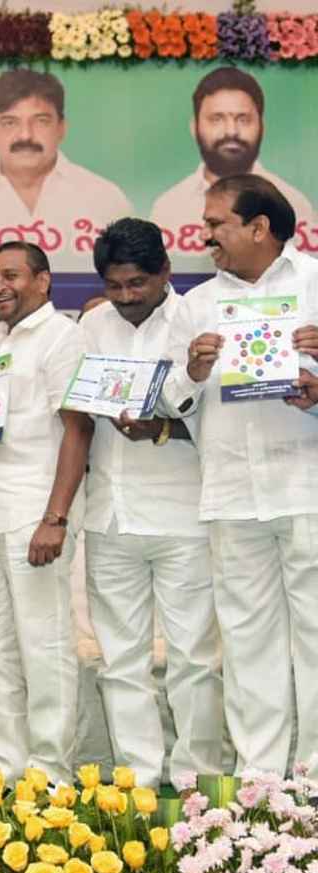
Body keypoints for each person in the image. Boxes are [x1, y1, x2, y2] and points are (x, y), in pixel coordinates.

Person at [161, 174, 318, 775]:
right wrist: (193, 372)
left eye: (216, 224)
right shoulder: (196, 304)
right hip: (230, 492)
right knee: (248, 643)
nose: (206, 238)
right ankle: (260, 785)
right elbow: (170, 400)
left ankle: (310, 784)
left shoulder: (312, 283)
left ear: (259, 227)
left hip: (304, 484)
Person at [0, 241, 92, 785]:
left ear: (44, 281)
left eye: (11, 275)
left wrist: (55, 518)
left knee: (44, 643)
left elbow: (78, 428)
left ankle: (51, 770)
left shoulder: (64, 337)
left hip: (33, 514)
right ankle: (4, 765)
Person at [82, 218, 224, 788]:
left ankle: (198, 781)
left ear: (166, 271)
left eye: (137, 284)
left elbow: (218, 416)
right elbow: (78, 411)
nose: (125, 297)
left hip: (181, 511)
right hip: (109, 513)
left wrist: (166, 420)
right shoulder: (92, 324)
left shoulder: (199, 319)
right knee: (120, 660)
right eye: (114, 286)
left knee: (193, 656)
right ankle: (135, 783)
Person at [0, 70, 131, 244]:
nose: (25, 135)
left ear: (61, 128)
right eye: (10, 123)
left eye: (40, 121)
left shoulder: (106, 198)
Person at [151, 67, 315, 239]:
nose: (231, 131)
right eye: (216, 119)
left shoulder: (294, 202)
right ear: (194, 127)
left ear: (262, 127)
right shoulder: (168, 206)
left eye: (243, 119)